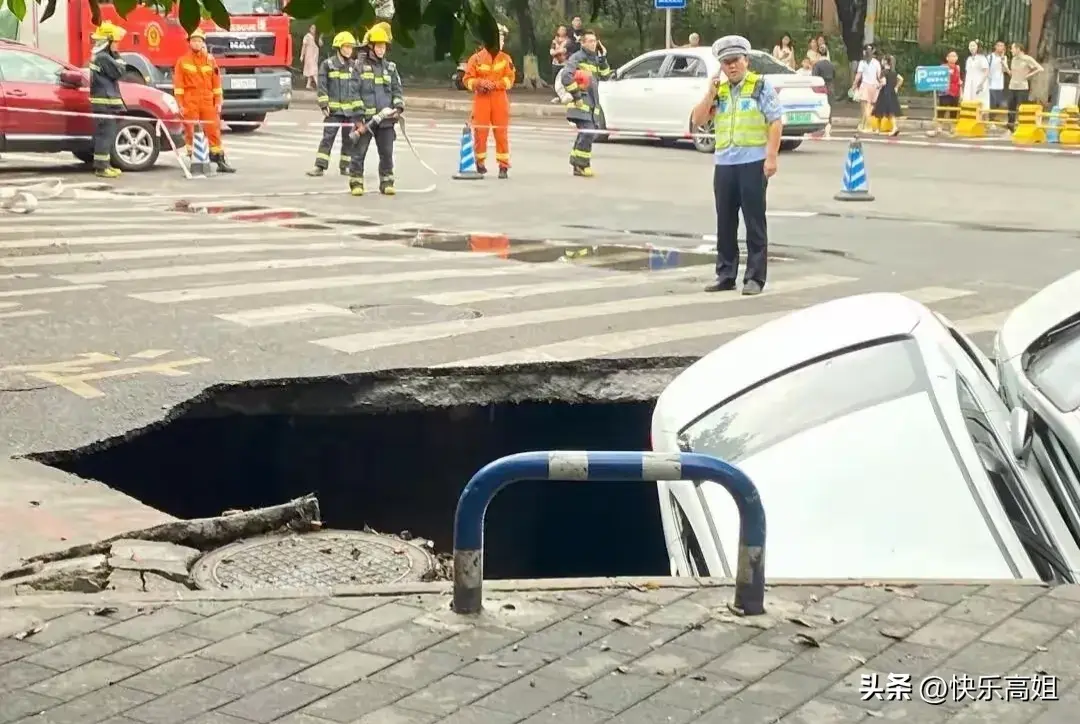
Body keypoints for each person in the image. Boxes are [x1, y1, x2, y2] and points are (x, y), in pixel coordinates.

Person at [691, 35, 782, 296]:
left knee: (754, 222)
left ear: (746, 61)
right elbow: (697, 120)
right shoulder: (718, 91)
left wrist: (771, 156)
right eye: (726, 62)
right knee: (725, 222)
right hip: (725, 164)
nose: (731, 66)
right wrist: (710, 92)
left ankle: (754, 278)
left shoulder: (759, 86)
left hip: (753, 163)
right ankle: (726, 273)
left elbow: (775, 121)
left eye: (735, 61)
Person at [347, 22, 404, 196]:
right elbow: (353, 93)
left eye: (383, 46)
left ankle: (387, 182)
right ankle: (356, 183)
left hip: (385, 121)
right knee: (359, 153)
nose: (381, 49)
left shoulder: (390, 68)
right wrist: (357, 119)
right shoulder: (358, 67)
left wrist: (398, 107)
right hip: (365, 121)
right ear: (370, 47)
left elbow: (397, 90)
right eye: (378, 46)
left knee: (387, 153)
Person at [174, 29, 235, 173]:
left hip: (208, 101)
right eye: (194, 40)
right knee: (191, 131)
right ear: (189, 42)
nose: (197, 43)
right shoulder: (182, 62)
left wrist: (219, 102)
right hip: (190, 101)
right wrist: (180, 105)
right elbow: (178, 86)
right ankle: (195, 161)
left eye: (199, 41)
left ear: (203, 43)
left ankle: (220, 160)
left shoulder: (210, 60)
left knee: (213, 130)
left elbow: (216, 83)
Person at [463, 24, 516, 178]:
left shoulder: (506, 59)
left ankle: (503, 166)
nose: (499, 42)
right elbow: (467, 79)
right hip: (482, 99)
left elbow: (510, 79)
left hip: (499, 98)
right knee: (480, 132)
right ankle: (479, 163)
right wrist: (479, 84)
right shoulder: (476, 58)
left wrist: (496, 85)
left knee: (501, 133)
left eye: (501, 39)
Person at [307, 31, 361, 177]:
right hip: (333, 112)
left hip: (350, 112)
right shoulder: (328, 65)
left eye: (351, 47)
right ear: (339, 47)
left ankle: (346, 167)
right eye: (347, 47)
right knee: (327, 138)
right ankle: (320, 167)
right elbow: (322, 86)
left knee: (349, 140)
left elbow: (358, 88)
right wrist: (324, 105)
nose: (349, 50)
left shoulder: (355, 66)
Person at [560, 29, 612, 178]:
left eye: (595, 41)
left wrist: (603, 58)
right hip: (580, 105)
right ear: (582, 43)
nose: (593, 44)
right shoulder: (577, 58)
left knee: (586, 134)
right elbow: (566, 77)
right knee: (588, 132)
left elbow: (606, 76)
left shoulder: (595, 59)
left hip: (592, 104)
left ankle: (576, 163)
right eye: (590, 41)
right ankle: (582, 165)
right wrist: (576, 96)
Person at [87, 22, 127, 179]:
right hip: (104, 104)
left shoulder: (101, 56)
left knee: (106, 134)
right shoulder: (103, 57)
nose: (117, 45)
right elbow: (120, 71)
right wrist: (116, 56)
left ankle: (105, 165)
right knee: (105, 134)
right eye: (115, 42)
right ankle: (102, 168)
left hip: (104, 103)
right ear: (108, 42)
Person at [1007, 42, 1044, 131]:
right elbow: (1012, 74)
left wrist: (1029, 75)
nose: (1011, 50)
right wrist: (1005, 68)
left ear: (1018, 49)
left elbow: (1040, 68)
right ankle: (1010, 127)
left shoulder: (1027, 59)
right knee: (1011, 107)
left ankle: (1022, 126)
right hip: (1012, 86)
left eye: (1012, 48)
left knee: (1022, 108)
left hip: (1022, 87)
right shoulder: (1014, 59)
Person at [852, 45, 881, 132]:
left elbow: (859, 75)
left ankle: (869, 125)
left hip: (869, 86)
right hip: (871, 86)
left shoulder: (869, 63)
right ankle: (864, 124)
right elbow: (878, 76)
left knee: (866, 108)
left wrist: (854, 84)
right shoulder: (871, 63)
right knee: (867, 107)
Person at [872, 55, 902, 136]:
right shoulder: (894, 72)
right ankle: (894, 127)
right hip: (892, 93)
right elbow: (901, 79)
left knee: (879, 111)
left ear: (885, 61)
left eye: (883, 60)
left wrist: (878, 86)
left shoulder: (883, 72)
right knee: (890, 112)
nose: (881, 61)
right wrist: (896, 87)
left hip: (884, 93)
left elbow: (883, 82)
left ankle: (879, 129)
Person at [963, 40, 990, 109]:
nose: (972, 47)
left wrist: (981, 83)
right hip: (969, 83)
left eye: (974, 45)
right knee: (969, 100)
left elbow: (986, 71)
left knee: (980, 102)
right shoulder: (969, 59)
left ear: (977, 47)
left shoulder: (982, 58)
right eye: (970, 46)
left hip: (979, 83)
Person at [939, 50, 962, 127]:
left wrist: (961, 93)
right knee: (942, 111)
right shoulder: (943, 67)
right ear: (947, 58)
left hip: (955, 92)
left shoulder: (958, 68)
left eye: (955, 56)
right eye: (951, 56)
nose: (953, 58)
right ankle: (939, 127)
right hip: (945, 92)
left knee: (954, 111)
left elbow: (959, 80)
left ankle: (952, 127)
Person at [988, 40, 1009, 121]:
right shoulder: (990, 57)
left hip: (999, 83)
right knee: (992, 102)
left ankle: (991, 117)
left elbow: (1004, 70)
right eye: (999, 45)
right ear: (995, 47)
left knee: (998, 102)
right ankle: (991, 119)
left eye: (1002, 46)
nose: (1000, 47)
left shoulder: (1004, 58)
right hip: (990, 83)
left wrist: (1003, 60)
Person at [301, 26, 320, 90]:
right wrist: (302, 55)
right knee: (314, 70)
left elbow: (320, 45)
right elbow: (304, 46)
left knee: (311, 71)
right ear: (309, 29)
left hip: (314, 56)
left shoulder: (316, 37)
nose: (313, 30)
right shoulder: (307, 36)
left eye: (315, 28)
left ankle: (308, 85)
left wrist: (320, 37)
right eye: (312, 28)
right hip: (309, 56)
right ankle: (319, 86)